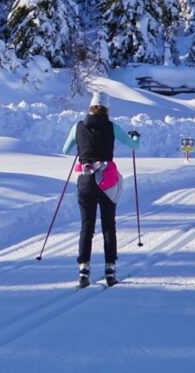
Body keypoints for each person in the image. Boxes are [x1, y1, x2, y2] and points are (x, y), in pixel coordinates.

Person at [61, 92, 140, 287]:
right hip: (107, 182)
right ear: (106, 109)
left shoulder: (78, 126)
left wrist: (82, 147)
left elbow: (65, 150)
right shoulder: (112, 127)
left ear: (90, 107)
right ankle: (110, 269)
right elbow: (133, 145)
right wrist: (135, 136)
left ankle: (83, 269)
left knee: (86, 225)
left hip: (86, 181)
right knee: (108, 225)